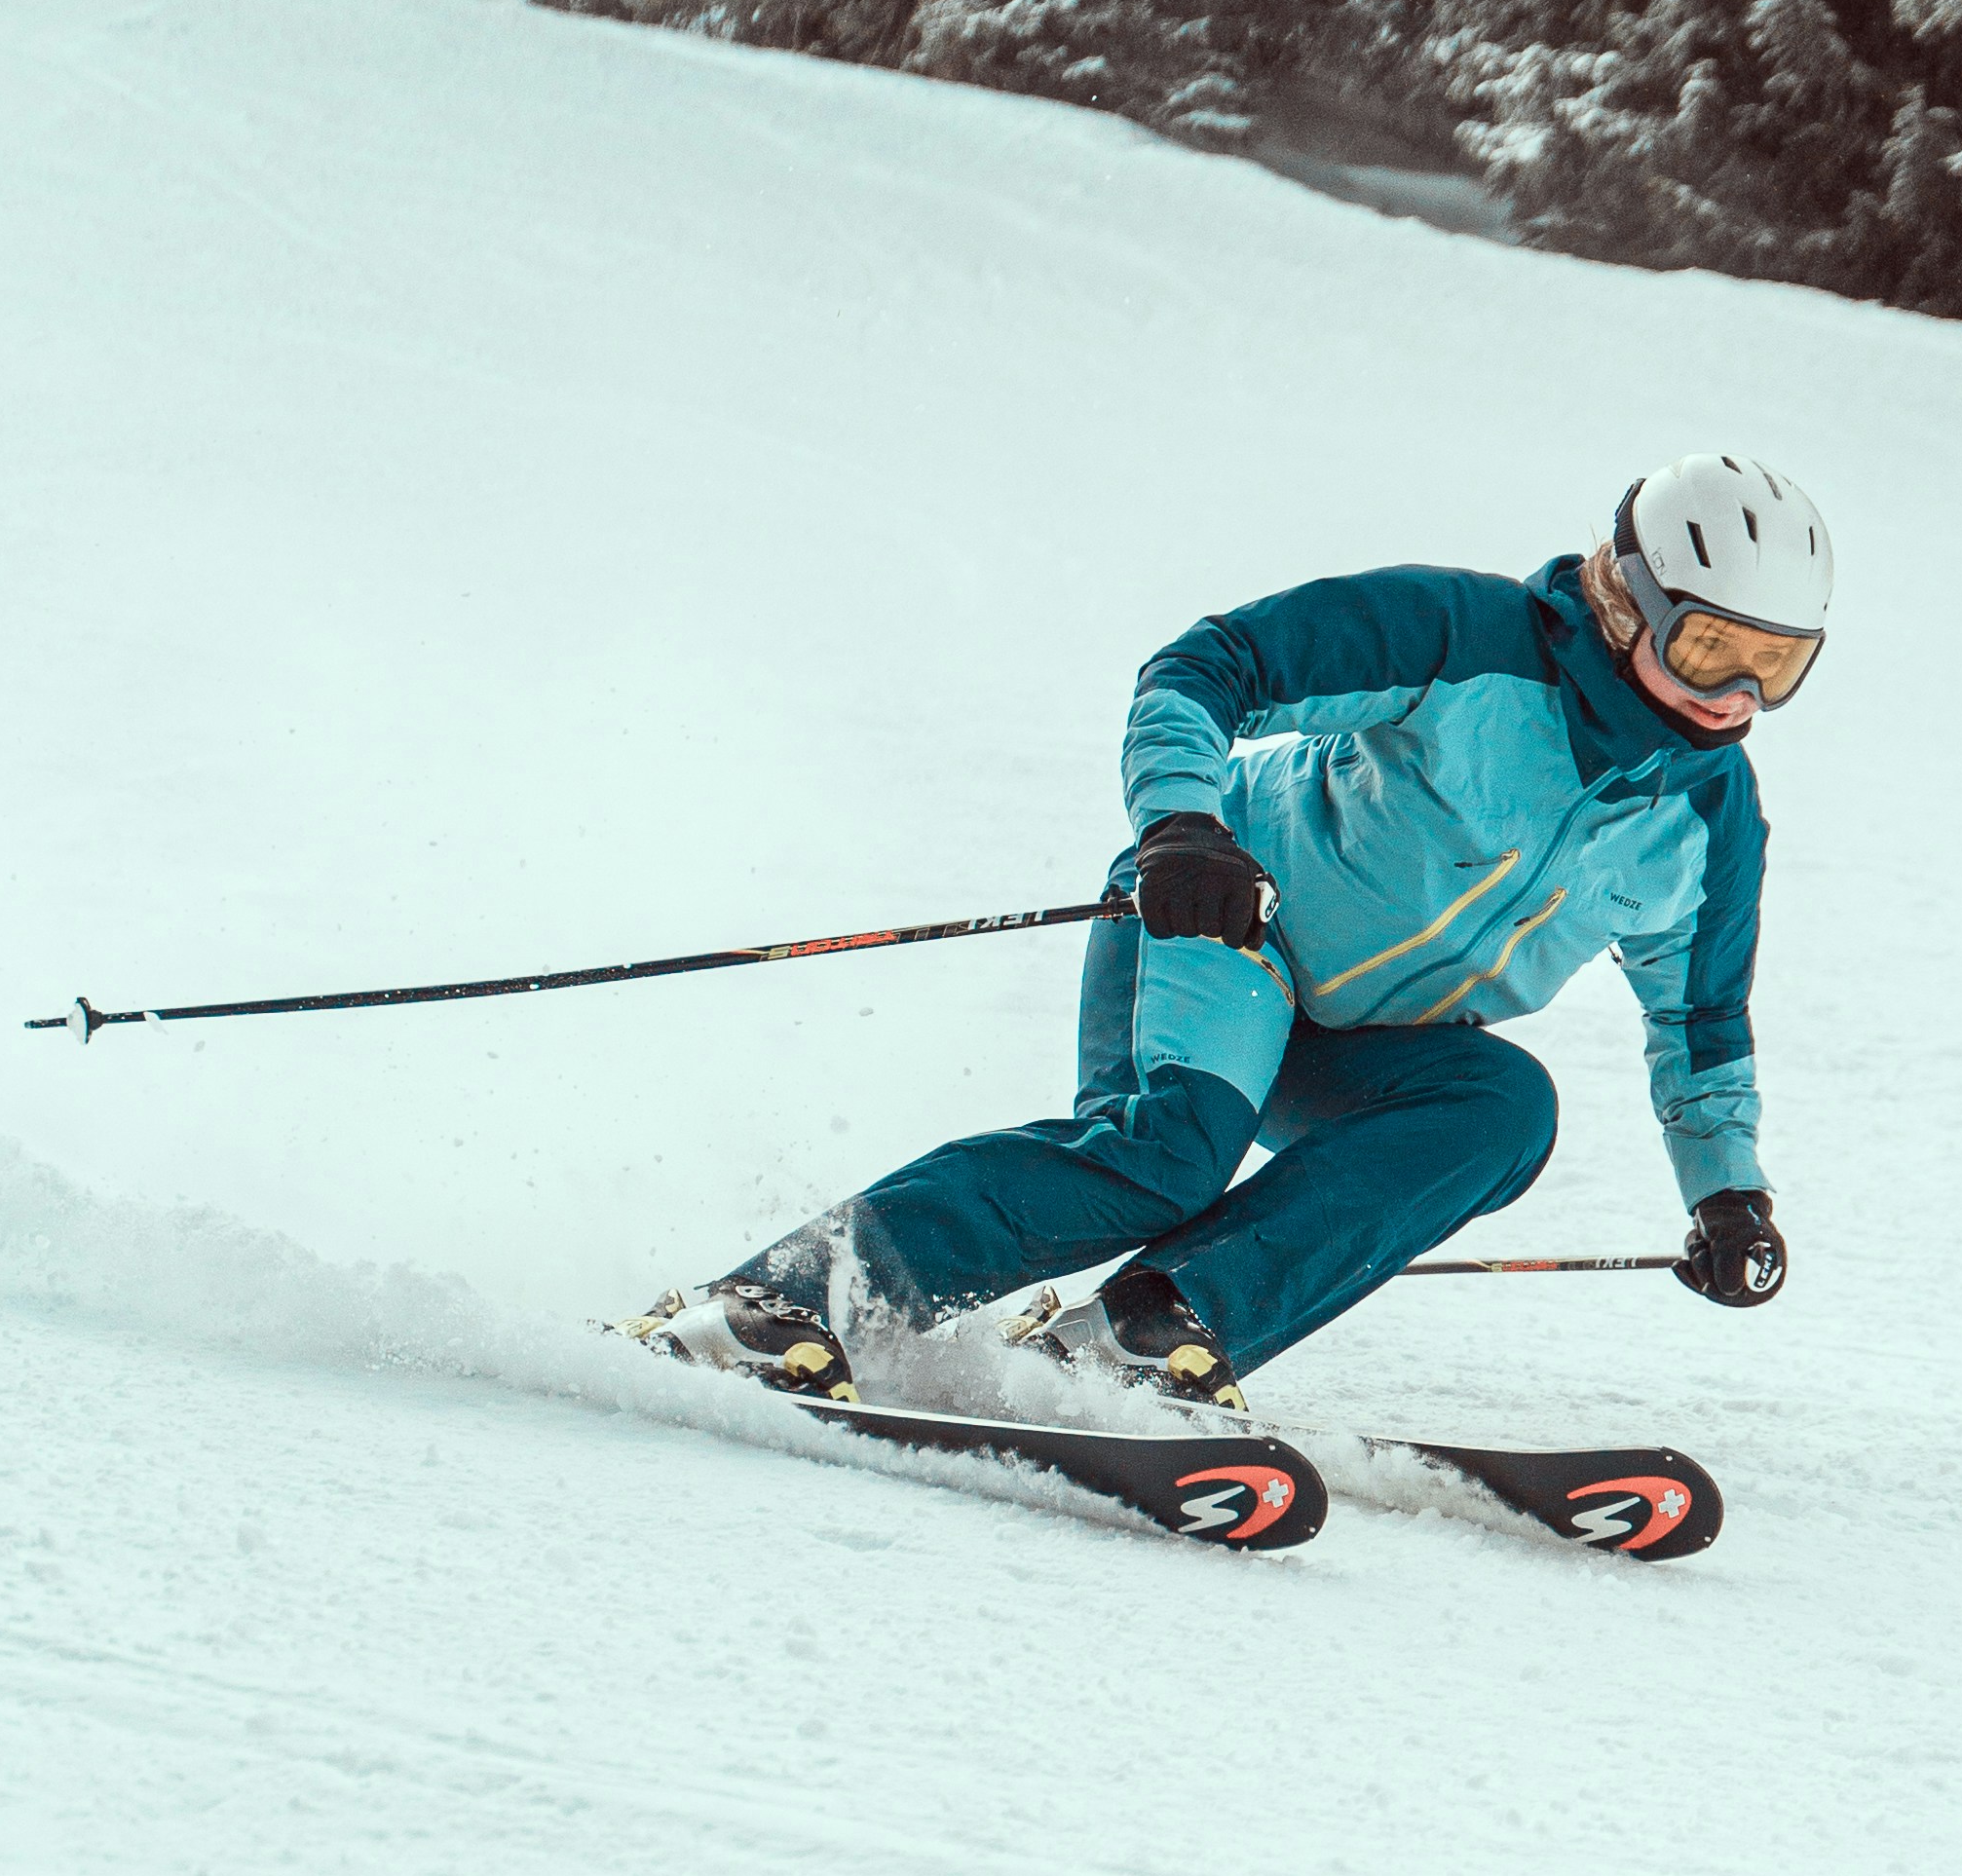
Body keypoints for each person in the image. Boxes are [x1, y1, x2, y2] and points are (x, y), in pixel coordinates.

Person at [631, 450, 1831, 1413]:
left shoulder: (1708, 821)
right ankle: (772, 1302)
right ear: (1629, 602)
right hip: (1224, 920)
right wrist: (1183, 830)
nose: (1737, 698)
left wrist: (1728, 1196)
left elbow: (1700, 1026)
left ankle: (1148, 1332)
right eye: (1711, 648)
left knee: (1503, 1108)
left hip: (1372, 1039)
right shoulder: (1466, 638)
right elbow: (1210, 665)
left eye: (1778, 668)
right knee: (1165, 1155)